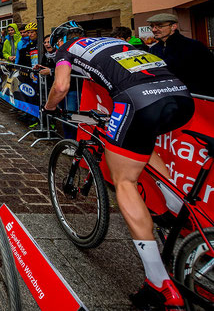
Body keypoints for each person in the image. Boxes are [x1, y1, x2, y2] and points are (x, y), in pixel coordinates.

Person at [43, 21, 195, 309]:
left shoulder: (67, 49)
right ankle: (179, 214)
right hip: (179, 94)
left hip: (137, 101)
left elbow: (61, 85)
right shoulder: (115, 43)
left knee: (124, 180)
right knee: (141, 144)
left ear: (61, 40)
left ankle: (158, 282)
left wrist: (49, 107)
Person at [147, 13, 214, 96]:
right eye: (152, 26)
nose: (154, 29)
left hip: (195, 97)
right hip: (166, 98)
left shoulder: (193, 46)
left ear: (173, 26)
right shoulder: (153, 49)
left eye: (159, 26)